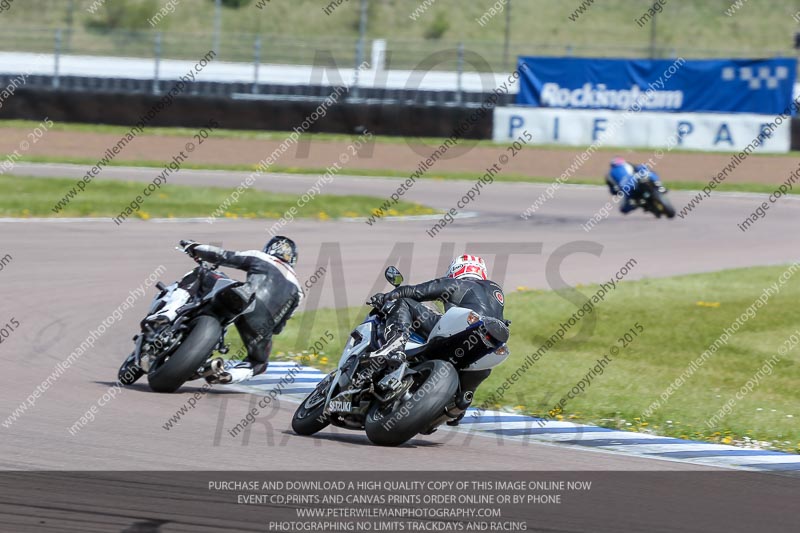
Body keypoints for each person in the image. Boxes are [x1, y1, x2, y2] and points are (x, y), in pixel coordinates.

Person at [367, 254, 506, 424]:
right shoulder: (496, 292)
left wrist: (387, 297)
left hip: (462, 329)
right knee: (480, 371)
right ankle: (459, 404)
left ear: (456, 270)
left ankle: (395, 345)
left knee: (404, 302)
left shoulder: (460, 283)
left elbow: (416, 292)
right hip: (487, 345)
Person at [180, 236, 303, 384]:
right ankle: (228, 376)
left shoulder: (262, 257)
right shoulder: (298, 290)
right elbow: (279, 328)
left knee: (201, 272)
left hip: (243, 298)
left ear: (269, 248)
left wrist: (194, 248)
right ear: (293, 259)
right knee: (259, 362)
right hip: (263, 323)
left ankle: (168, 314)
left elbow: (223, 256)